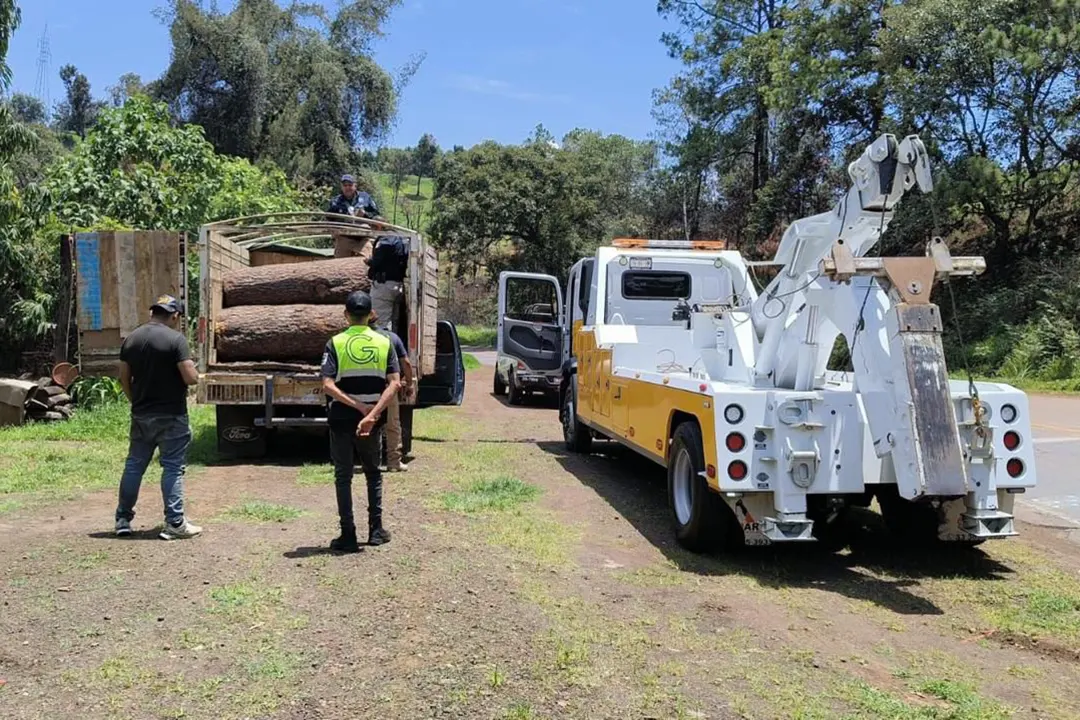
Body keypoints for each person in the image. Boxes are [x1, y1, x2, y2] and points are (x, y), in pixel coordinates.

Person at [115, 294, 202, 541]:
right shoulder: (176, 340)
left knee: (134, 465)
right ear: (175, 316)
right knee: (172, 467)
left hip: (141, 414)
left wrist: (136, 401)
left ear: (153, 312)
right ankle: (174, 523)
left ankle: (122, 519)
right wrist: (196, 373)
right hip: (172, 415)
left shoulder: (132, 339)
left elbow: (123, 377)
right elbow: (190, 377)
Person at [321, 291, 401, 552]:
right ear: (371, 315)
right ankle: (376, 531)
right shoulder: (385, 342)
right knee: (373, 474)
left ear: (346, 315)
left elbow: (327, 385)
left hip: (341, 419)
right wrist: (371, 414)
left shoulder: (335, 343)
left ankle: (348, 534)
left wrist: (357, 406)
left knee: (343, 476)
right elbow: (395, 384)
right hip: (372, 422)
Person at [370, 309, 414, 473]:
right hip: (388, 388)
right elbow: (406, 363)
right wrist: (409, 383)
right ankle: (394, 462)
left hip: (364, 386)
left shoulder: (356, 338)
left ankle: (368, 460)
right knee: (392, 425)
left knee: (366, 422)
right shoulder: (392, 338)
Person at [367, 233, 408, 335]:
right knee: (394, 322)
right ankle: (392, 343)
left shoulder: (385, 240)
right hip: (397, 285)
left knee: (379, 323)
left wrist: (370, 261)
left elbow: (378, 259)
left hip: (383, 286)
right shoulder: (400, 240)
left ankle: (383, 344)